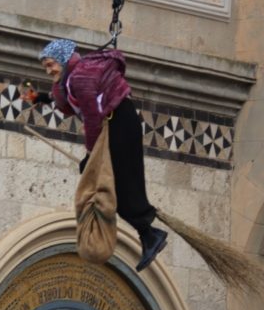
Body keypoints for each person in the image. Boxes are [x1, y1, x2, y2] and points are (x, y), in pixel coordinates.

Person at [23, 38, 167, 272]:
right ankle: (149, 233)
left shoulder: (80, 78)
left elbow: (91, 117)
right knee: (113, 183)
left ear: (63, 60)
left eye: (50, 65)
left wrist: (91, 155)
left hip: (119, 123)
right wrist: (40, 98)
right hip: (115, 124)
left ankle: (149, 233)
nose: (49, 70)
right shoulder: (71, 80)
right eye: (46, 67)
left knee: (115, 183)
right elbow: (68, 100)